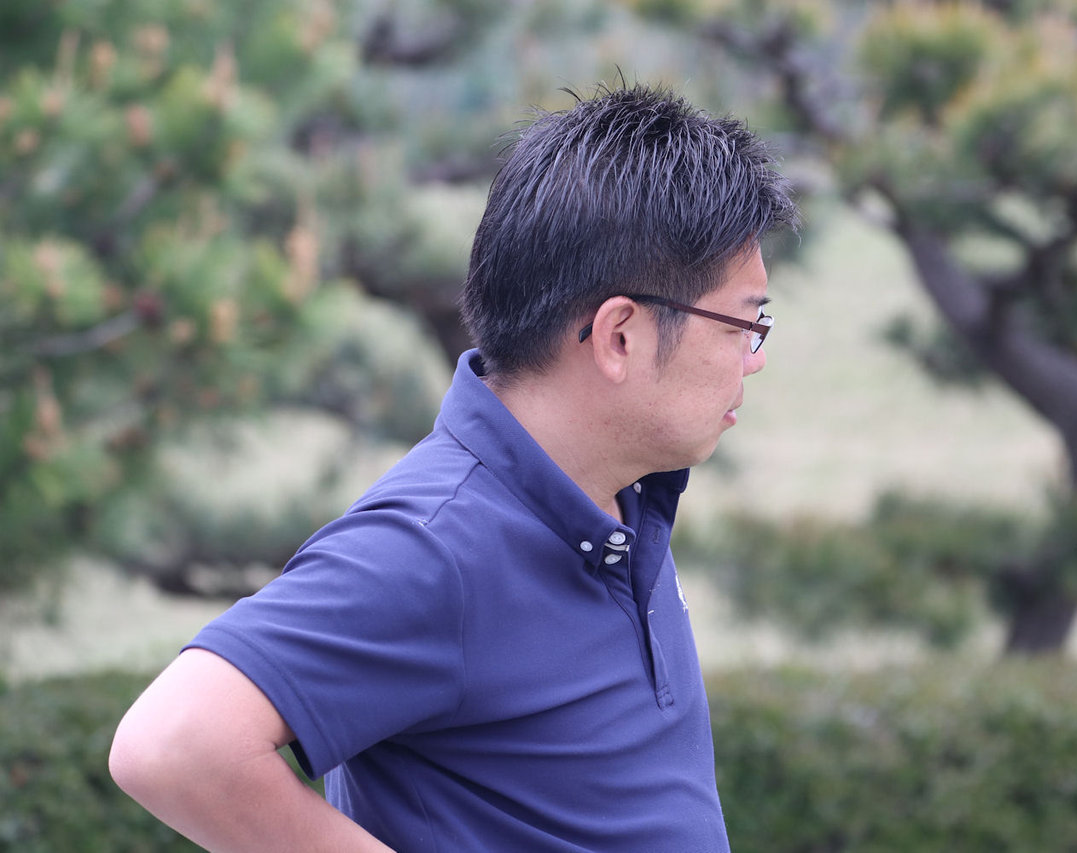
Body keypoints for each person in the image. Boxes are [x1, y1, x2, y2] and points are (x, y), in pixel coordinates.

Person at [109, 81, 798, 852]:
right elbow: (172, 746)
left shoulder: (621, 501)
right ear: (620, 336)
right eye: (743, 323)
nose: (754, 357)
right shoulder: (435, 545)